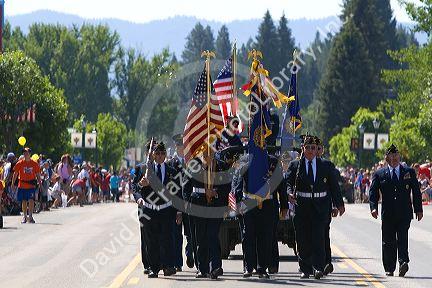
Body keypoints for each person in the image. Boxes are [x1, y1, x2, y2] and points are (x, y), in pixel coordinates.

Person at [286, 135, 345, 279]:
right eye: (308, 148)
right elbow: (287, 182)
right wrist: (288, 194)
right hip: (302, 206)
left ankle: (318, 268)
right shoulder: (295, 165)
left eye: (313, 148)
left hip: (320, 207)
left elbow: (334, 187)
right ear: (303, 149)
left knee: (318, 239)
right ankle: (305, 269)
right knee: (303, 239)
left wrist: (339, 204)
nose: (311, 151)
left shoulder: (325, 165)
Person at [369, 144, 423, 277]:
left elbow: (416, 191)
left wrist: (418, 209)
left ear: (399, 157)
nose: (393, 158)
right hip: (387, 213)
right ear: (386, 158)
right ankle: (389, 267)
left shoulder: (408, 172)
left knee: (403, 238)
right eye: (391, 156)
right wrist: (373, 207)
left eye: (396, 155)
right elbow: (373, 192)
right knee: (388, 241)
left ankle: (403, 262)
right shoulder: (379, 173)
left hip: (404, 213)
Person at [132, 141, 177, 278]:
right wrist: (141, 188)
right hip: (149, 209)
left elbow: (176, 192)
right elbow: (135, 187)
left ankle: (167, 266)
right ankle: (153, 268)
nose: (160, 156)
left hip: (165, 209)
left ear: (165, 155)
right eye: (157, 153)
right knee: (151, 241)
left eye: (162, 153)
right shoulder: (144, 169)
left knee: (166, 239)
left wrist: (178, 211)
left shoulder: (171, 171)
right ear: (152, 154)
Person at [315, 137, 343, 276]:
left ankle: (326, 262)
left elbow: (333, 188)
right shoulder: (304, 164)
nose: (317, 151)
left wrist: (335, 205)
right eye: (315, 148)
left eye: (319, 148)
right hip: (308, 207)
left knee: (324, 235)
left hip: (324, 206)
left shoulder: (327, 165)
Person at [168, 133, 193, 271]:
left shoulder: (191, 161)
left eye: (183, 145)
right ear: (176, 147)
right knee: (176, 235)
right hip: (176, 205)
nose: (181, 147)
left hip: (189, 204)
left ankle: (190, 254)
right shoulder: (170, 163)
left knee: (190, 233)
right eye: (179, 145)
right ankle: (178, 263)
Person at [11, 147, 42, 224]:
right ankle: (25, 216)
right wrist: (12, 183)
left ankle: (30, 216)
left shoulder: (34, 164)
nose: (25, 154)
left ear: (30, 154)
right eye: (24, 153)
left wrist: (40, 184)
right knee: (24, 201)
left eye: (27, 152)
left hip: (31, 185)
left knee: (31, 200)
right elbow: (15, 174)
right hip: (22, 185)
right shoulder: (20, 163)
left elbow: (38, 175)